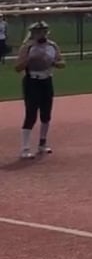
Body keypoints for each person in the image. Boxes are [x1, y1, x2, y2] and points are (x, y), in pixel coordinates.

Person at [16, 21, 65, 159]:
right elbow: (17, 67)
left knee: (46, 114)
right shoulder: (27, 47)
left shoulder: (52, 46)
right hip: (32, 81)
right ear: (33, 33)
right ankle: (25, 148)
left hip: (46, 80)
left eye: (43, 31)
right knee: (31, 114)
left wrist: (53, 62)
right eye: (38, 32)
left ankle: (42, 143)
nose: (41, 34)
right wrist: (29, 60)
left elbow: (62, 63)